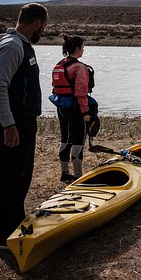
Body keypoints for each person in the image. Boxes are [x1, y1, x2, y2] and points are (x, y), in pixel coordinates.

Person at [0, 3, 49, 250]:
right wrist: (8, 123)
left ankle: (14, 225)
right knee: (8, 180)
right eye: (44, 26)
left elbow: (1, 83)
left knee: (21, 178)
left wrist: (1, 101)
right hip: (14, 124)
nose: (43, 31)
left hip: (21, 121)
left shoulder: (21, 45)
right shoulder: (12, 45)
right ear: (37, 24)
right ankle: (2, 237)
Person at [51, 35, 96, 182]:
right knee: (78, 141)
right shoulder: (79, 67)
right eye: (83, 47)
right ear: (77, 49)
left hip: (62, 108)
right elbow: (81, 93)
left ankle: (64, 173)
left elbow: (55, 89)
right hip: (76, 109)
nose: (83, 50)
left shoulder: (59, 65)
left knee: (65, 139)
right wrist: (86, 113)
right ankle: (78, 176)